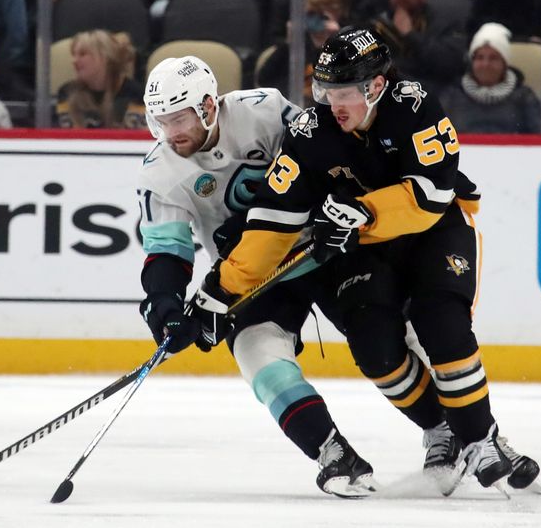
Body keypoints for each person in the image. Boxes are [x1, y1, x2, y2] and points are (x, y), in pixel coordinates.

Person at [192, 26, 541, 494]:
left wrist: (365, 212)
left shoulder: (415, 106)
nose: (331, 103)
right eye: (324, 89)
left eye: (343, 92)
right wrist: (221, 291)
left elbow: (433, 193)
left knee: (442, 325)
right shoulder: (310, 132)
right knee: (374, 346)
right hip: (369, 246)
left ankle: (482, 438)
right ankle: (442, 430)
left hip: (436, 231)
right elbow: (272, 224)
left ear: (376, 86)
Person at [138, 55, 378, 498]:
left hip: (325, 248)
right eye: (161, 121)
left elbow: (327, 151)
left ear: (209, 106)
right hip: (253, 276)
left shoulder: (263, 110)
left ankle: (458, 430)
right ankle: (332, 451)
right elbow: (166, 253)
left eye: (179, 118)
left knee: (385, 343)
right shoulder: (160, 173)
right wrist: (167, 306)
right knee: (255, 353)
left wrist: (337, 201)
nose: (171, 133)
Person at [441, 23, 541, 134]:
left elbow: (539, 139)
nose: (485, 64)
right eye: (479, 58)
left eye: (493, 58)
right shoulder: (452, 97)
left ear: (504, 63)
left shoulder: (523, 98)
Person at [257, 0, 350, 104]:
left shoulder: (347, 43)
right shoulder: (298, 45)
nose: (317, 22)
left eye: (323, 17)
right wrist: (289, 45)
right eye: (312, 14)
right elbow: (264, 80)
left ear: (338, 13)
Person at [369, 0, 467, 94]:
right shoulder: (374, 24)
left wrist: (411, 35)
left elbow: (449, 63)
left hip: (436, 91)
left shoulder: (441, 19)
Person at [55, 30, 145, 129]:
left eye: (82, 54)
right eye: (74, 54)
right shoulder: (67, 93)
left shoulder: (135, 95)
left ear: (105, 57)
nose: (74, 61)